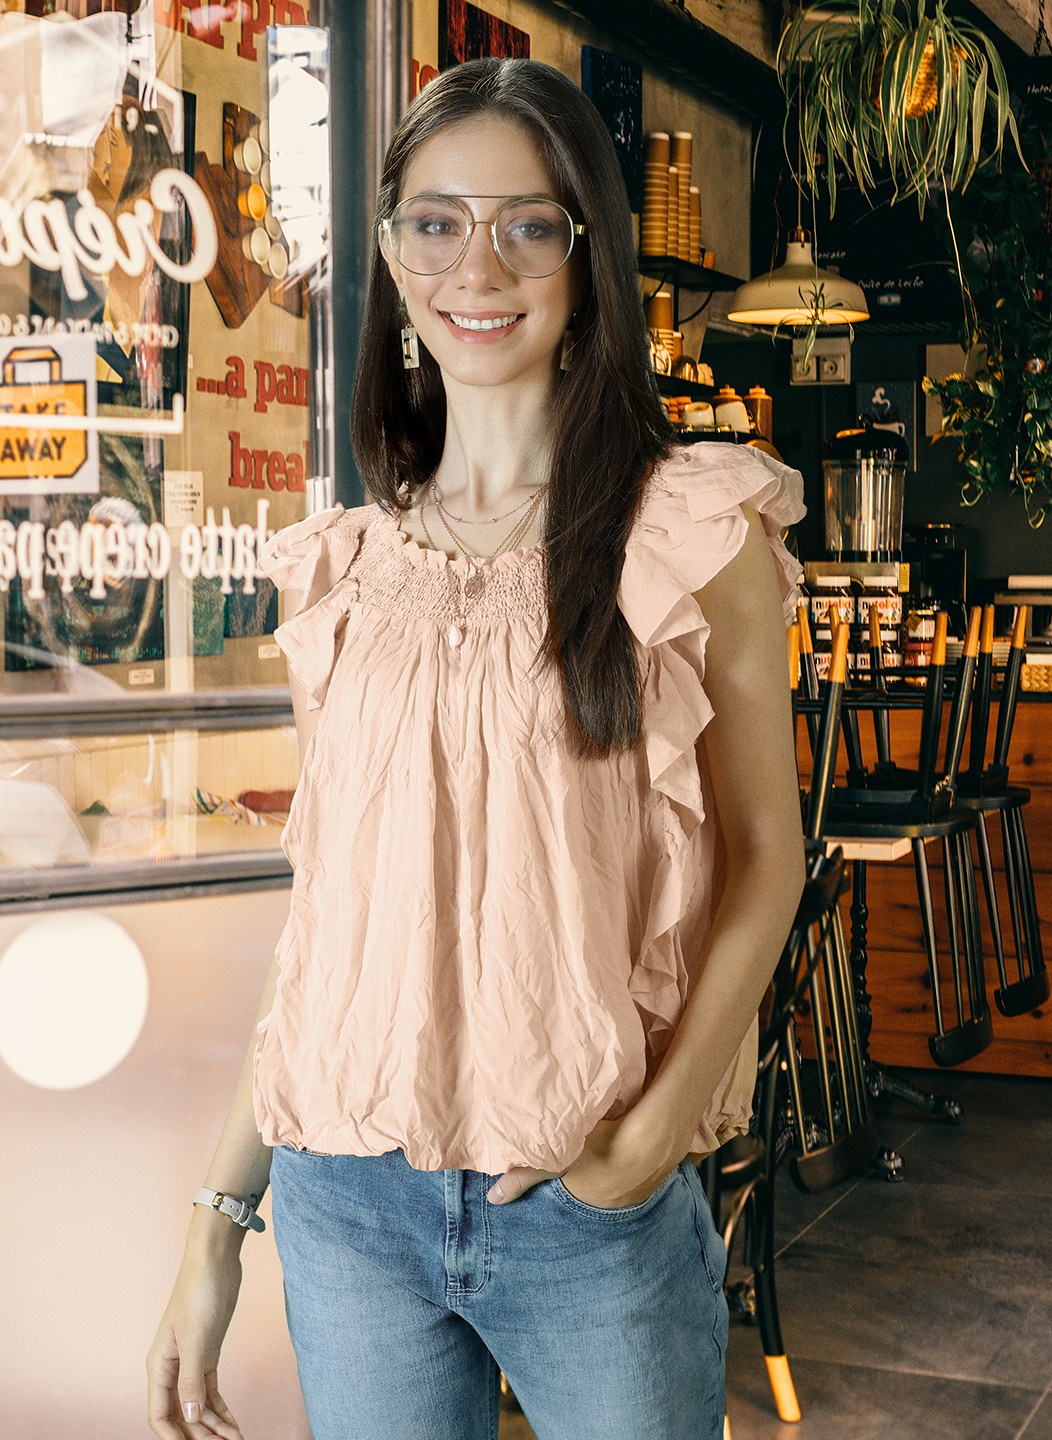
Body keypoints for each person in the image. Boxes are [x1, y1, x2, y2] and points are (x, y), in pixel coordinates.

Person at [147, 56, 806, 1440]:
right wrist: (222, 1219)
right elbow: (328, 921)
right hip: (345, 1204)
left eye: (526, 221)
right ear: (389, 254)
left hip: (583, 1205)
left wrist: (641, 1147)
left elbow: (764, 864)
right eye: (434, 222)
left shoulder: (688, 538)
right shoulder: (345, 567)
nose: (476, 263)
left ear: (586, 251)